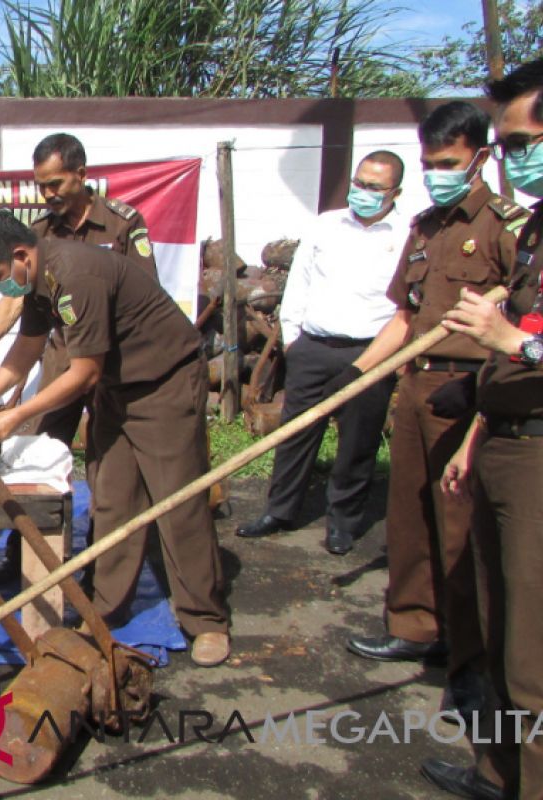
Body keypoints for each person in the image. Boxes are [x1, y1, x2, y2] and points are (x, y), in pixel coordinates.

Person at [0, 210, 231, 667]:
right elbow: (28, 345)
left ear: (21, 254)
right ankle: (104, 608)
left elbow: (83, 373)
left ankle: (206, 620)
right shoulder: (38, 278)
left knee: (177, 503)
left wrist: (17, 413)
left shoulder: (75, 275)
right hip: (119, 389)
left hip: (164, 382)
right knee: (112, 500)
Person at [335, 103, 527, 715]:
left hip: (471, 389)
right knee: (410, 514)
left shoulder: (510, 225)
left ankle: (470, 663)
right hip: (416, 385)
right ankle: (414, 626)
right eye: (427, 163)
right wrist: (359, 373)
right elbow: (405, 316)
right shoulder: (425, 226)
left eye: (447, 163)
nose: (436, 173)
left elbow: (520, 320)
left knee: (461, 531)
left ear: (479, 157)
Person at [0, 132, 157, 585]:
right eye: (41, 185)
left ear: (82, 175)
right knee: (38, 455)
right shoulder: (37, 234)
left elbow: (140, 298)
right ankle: (25, 550)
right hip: (63, 355)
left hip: (112, 364)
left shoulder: (122, 224)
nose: (48, 194)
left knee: (107, 469)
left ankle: (99, 570)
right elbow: (17, 301)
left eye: (56, 183)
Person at [421, 57, 543, 800]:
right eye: (511, 143)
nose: (515, 157)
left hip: (538, 456)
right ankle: (497, 773)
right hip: (502, 439)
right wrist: (474, 439)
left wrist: (514, 343)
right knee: (499, 638)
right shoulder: (535, 236)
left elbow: (517, 341)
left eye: (526, 140)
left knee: (534, 656)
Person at [235, 151, 408, 555]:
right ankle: (279, 511)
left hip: (369, 352)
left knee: (357, 443)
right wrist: (294, 340)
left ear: (395, 192)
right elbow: (300, 283)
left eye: (374, 187)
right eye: (359, 182)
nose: (363, 191)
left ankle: (342, 523)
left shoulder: (407, 235)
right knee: (295, 433)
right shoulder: (326, 225)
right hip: (313, 346)